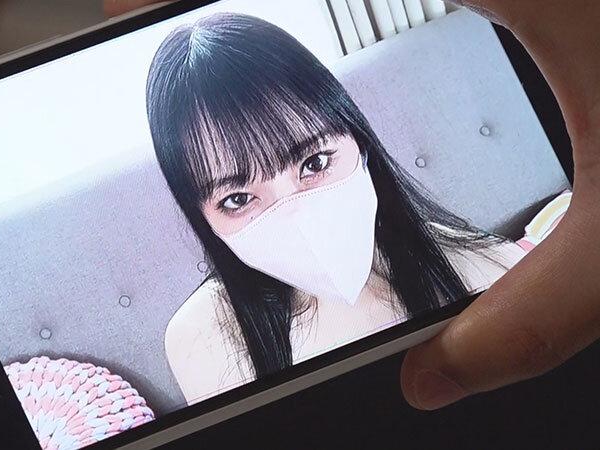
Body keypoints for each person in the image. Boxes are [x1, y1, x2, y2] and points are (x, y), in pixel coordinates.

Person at [107, 0, 600, 412]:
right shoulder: (203, 334)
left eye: (314, 162)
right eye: (238, 198)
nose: (295, 213)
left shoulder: (486, 271)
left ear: (359, 142)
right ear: (204, 219)